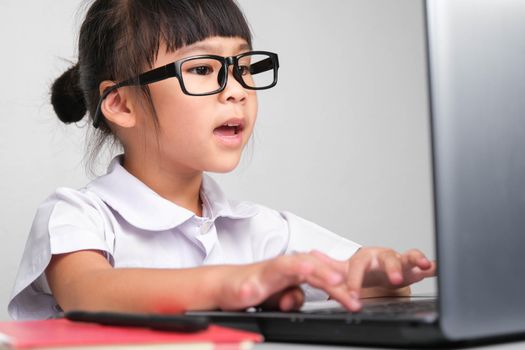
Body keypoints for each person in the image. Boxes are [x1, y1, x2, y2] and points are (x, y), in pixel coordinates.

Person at [8, 0, 435, 320]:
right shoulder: (78, 216)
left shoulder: (260, 231)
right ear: (120, 104)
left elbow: (372, 290)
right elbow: (90, 292)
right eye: (202, 69)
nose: (237, 90)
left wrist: (380, 274)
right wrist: (237, 283)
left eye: (243, 66)